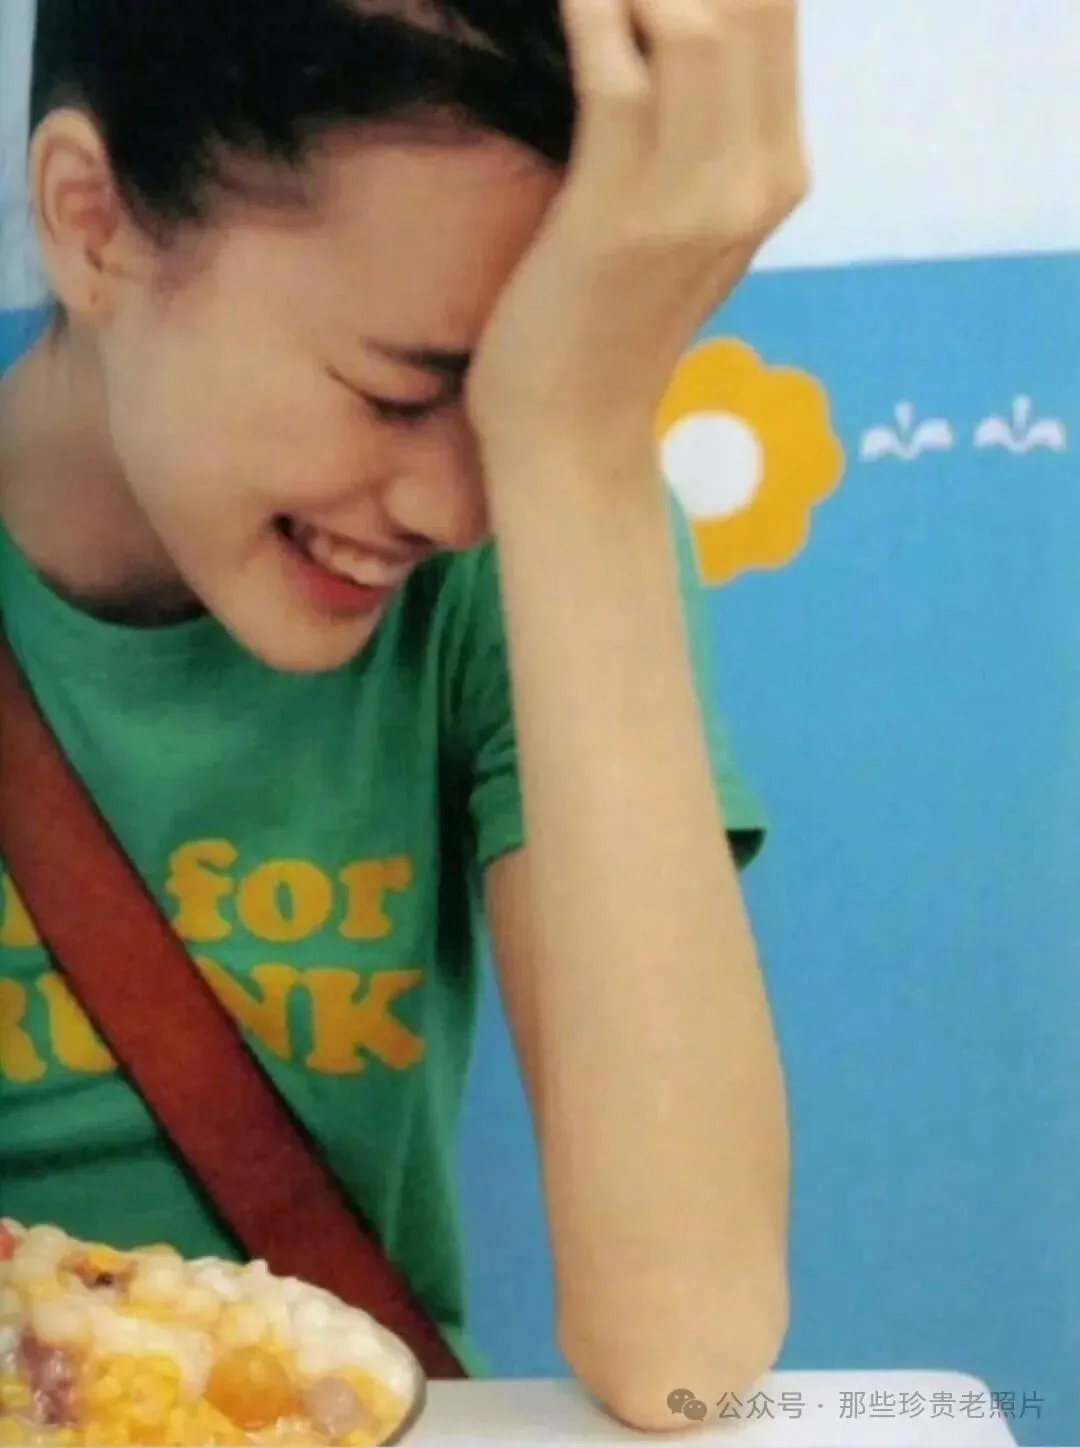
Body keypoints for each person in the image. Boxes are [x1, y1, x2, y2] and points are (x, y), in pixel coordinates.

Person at [0, 0, 802, 1428]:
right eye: (395, 392)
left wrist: (582, 457)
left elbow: (688, 1349)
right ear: (93, 222)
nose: (457, 505)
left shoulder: (539, 549)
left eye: (522, 403)